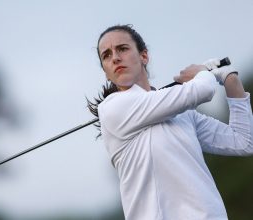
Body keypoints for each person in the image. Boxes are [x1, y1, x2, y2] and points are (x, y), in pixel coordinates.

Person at [87, 24, 253, 220]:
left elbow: (244, 141)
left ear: (144, 56)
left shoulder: (182, 114)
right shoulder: (113, 107)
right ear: (106, 72)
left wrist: (230, 78)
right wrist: (202, 73)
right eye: (106, 55)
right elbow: (202, 90)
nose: (115, 57)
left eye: (122, 49)